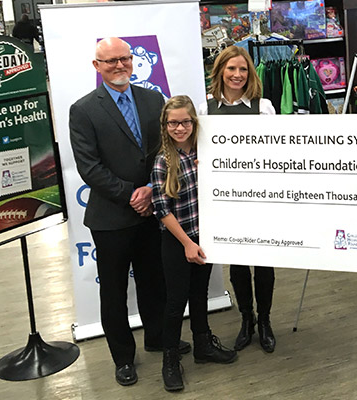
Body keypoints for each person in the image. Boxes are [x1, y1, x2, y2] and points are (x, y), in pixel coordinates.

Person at [69, 37, 189, 387]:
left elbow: (166, 150)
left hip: (153, 212)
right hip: (111, 218)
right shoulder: (83, 109)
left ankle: (157, 338)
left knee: (155, 281)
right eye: (111, 61)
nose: (119, 65)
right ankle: (123, 358)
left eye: (124, 58)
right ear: (97, 66)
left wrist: (151, 190)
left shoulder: (153, 99)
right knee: (114, 292)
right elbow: (89, 167)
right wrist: (130, 195)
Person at [152, 95, 238, 392]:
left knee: (200, 294)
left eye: (185, 122)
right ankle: (170, 359)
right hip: (178, 241)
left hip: (205, 237)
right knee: (176, 301)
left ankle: (203, 345)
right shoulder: (163, 161)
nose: (179, 128)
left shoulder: (206, 153)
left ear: (194, 122)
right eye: (173, 123)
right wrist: (187, 243)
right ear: (165, 125)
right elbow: (162, 210)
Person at [198, 45, 277, 353]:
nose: (237, 74)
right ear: (220, 71)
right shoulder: (205, 109)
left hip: (260, 196)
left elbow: (276, 151)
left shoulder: (263, 107)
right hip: (226, 199)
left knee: (265, 262)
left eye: (243, 69)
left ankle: (265, 320)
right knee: (239, 263)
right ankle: (247, 319)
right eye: (231, 68)